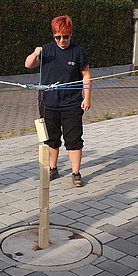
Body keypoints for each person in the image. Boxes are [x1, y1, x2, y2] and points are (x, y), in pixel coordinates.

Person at [25, 15, 91, 188]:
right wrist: (35, 53)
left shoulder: (78, 52)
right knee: (51, 139)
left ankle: (76, 173)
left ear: (71, 34)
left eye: (66, 36)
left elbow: (86, 75)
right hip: (48, 104)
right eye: (58, 37)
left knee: (74, 139)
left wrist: (87, 98)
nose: (62, 40)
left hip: (72, 104)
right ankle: (53, 169)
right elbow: (28, 65)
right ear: (53, 36)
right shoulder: (46, 50)